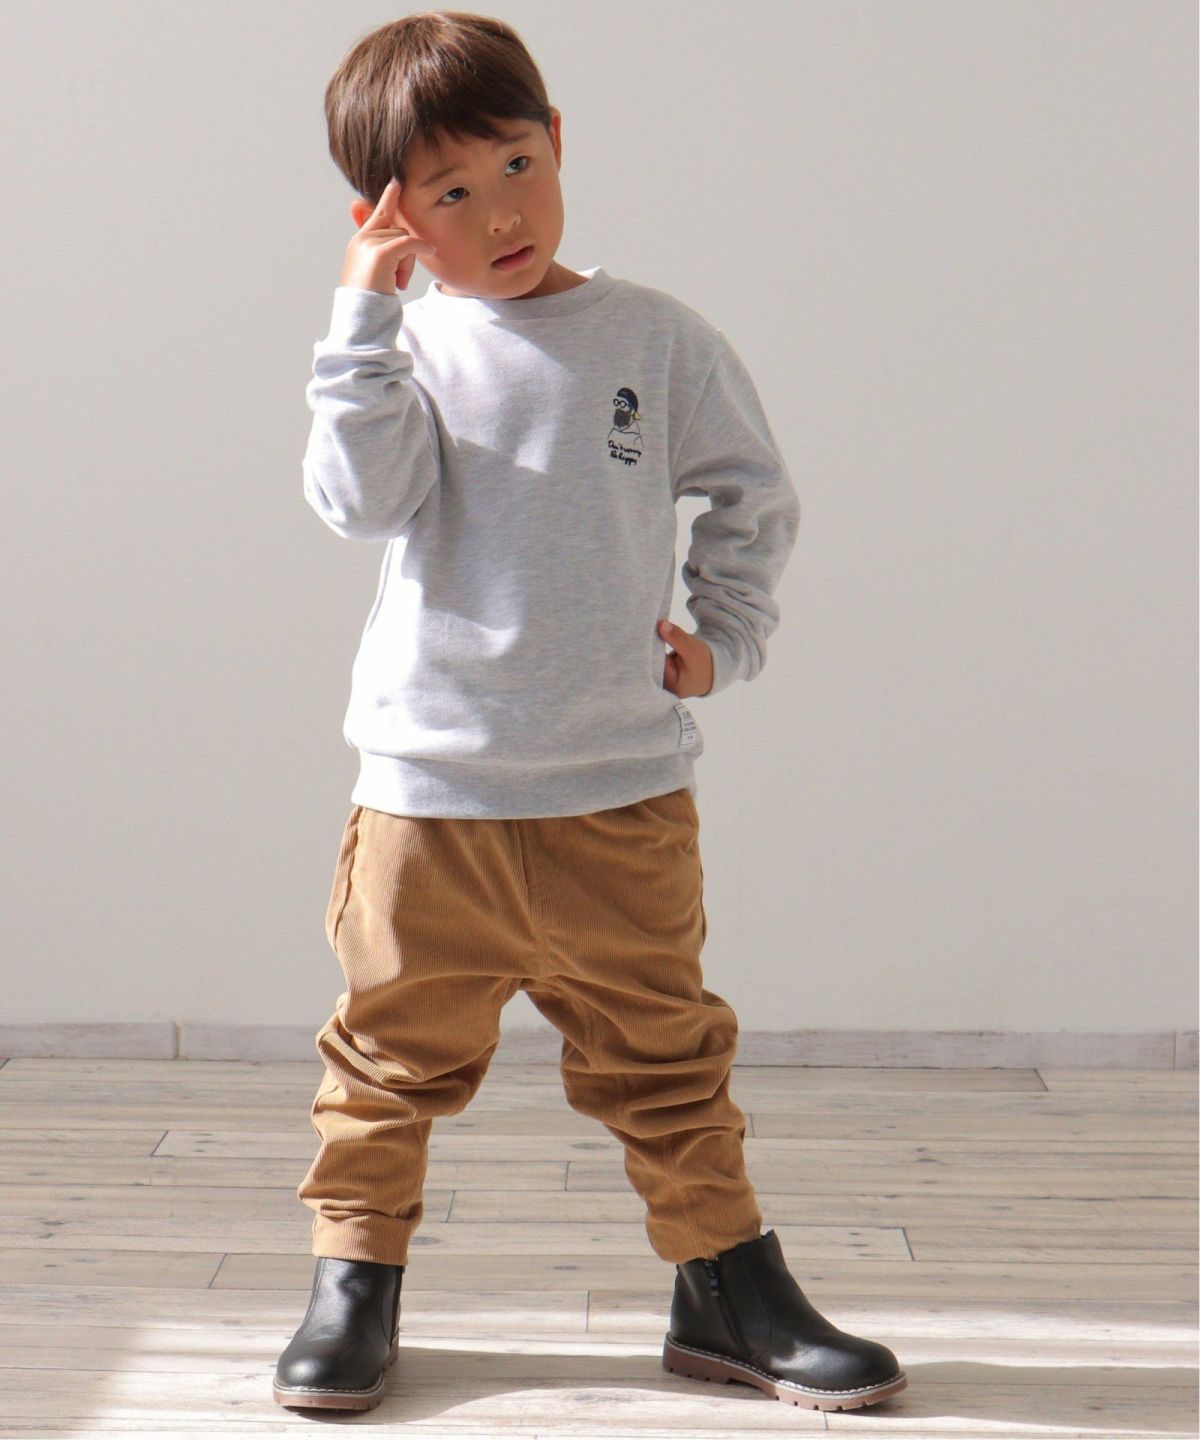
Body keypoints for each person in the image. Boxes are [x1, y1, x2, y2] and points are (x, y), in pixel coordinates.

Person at [273, 8, 906, 1417]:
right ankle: (352, 1284)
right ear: (387, 216)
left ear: (558, 141)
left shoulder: (658, 339)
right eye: (450, 192)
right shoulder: (401, 352)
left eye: (517, 163)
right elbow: (359, 503)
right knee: (385, 1062)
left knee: (668, 1058)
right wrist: (361, 319)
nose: (500, 213)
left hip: (617, 796)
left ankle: (727, 1292)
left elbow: (752, 496)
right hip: (429, 799)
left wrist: (722, 640)